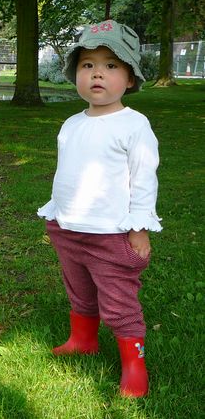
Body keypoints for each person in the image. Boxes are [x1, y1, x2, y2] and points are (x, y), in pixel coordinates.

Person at [38, 20, 162, 398]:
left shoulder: (134, 125)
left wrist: (139, 227)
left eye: (110, 65)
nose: (97, 73)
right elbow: (67, 173)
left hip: (111, 234)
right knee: (79, 290)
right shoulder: (71, 124)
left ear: (130, 78)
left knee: (119, 301)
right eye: (87, 65)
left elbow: (144, 179)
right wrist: (57, 214)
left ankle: (134, 366)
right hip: (69, 228)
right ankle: (83, 339)